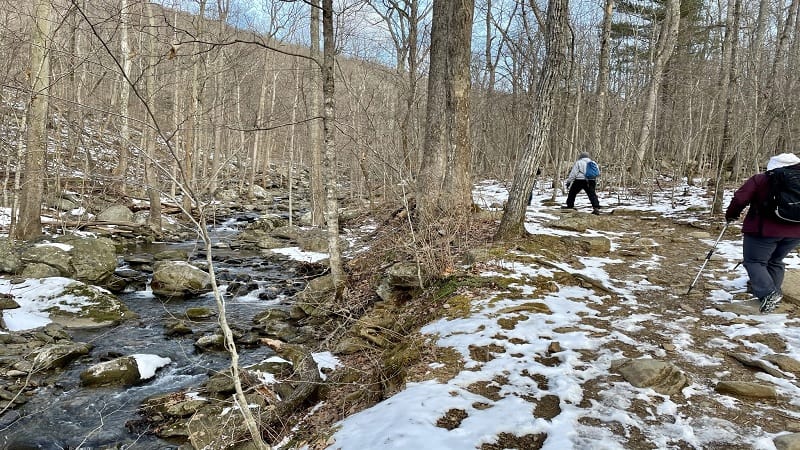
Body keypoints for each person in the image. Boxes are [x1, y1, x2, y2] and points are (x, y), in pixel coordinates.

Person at [725, 152, 800, 313]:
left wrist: (731, 215)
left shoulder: (761, 179)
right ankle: (772, 295)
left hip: (763, 229)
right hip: (795, 231)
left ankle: (769, 294)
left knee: (754, 262)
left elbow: (740, 199)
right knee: (775, 260)